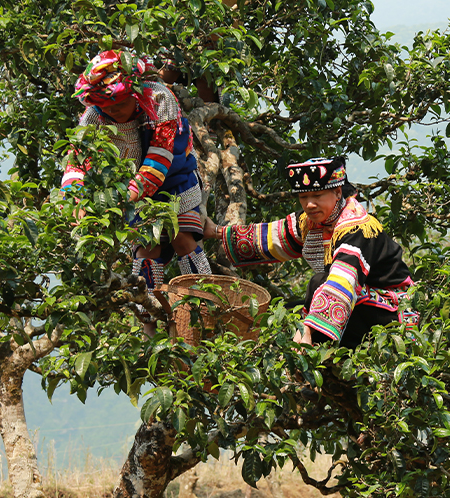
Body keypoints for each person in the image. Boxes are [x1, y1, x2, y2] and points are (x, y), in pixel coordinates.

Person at [61, 50, 211, 331]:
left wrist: (122, 202)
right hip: (128, 193)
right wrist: (75, 203)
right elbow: (76, 163)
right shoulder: (93, 117)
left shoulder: (160, 99)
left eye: (118, 105)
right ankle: (148, 325)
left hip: (173, 182)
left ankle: (206, 309)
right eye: (106, 107)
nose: (112, 112)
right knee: (146, 251)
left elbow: (160, 158)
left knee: (184, 241)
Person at [202, 157, 416, 348]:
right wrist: (216, 231)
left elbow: (344, 281)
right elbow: (273, 237)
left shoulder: (357, 227)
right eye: (303, 197)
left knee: (317, 286)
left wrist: (309, 329)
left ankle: (318, 357)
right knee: (281, 314)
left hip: (393, 312)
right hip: (360, 303)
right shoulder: (313, 221)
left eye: (317, 195)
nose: (309, 204)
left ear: (338, 192)